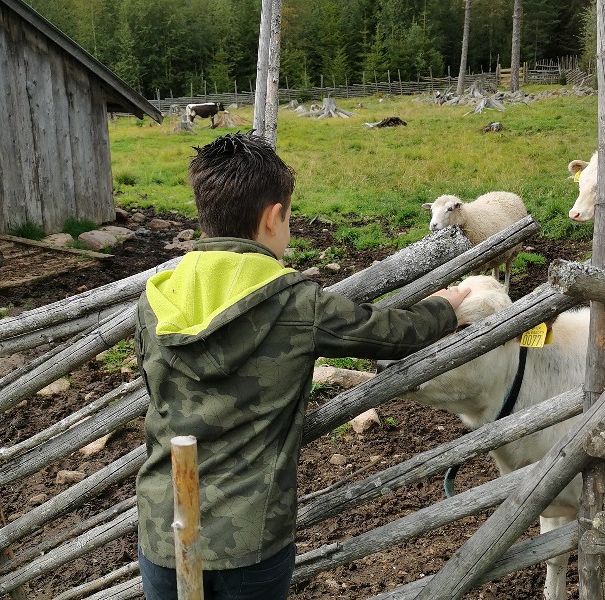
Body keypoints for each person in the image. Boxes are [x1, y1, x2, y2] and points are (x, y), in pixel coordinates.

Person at [134, 132, 470, 600]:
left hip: (162, 526)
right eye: (288, 218)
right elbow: (391, 332)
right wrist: (445, 306)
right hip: (251, 538)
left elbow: (156, 392)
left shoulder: (157, 300)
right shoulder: (295, 303)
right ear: (274, 218)